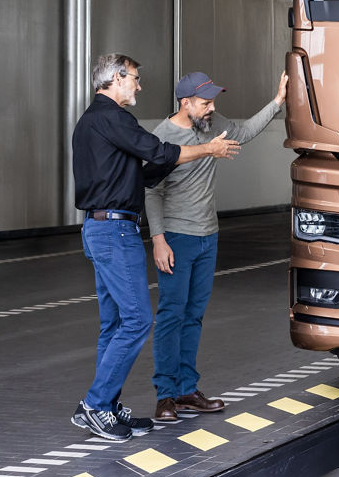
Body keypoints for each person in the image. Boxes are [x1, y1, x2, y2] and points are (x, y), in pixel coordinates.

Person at [70, 53, 239, 441]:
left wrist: (175, 162)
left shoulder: (93, 121)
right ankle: (96, 405)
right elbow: (161, 152)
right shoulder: (112, 117)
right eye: (134, 78)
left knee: (114, 324)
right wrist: (206, 151)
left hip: (101, 228)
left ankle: (107, 407)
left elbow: (145, 173)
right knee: (136, 320)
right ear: (115, 78)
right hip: (116, 232)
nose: (139, 86)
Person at [145, 69, 288, 424]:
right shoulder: (162, 137)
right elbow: (151, 191)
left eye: (213, 102)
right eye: (205, 103)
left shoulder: (212, 124)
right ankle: (165, 395)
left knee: (193, 316)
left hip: (209, 236)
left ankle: (187, 390)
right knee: (171, 316)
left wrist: (278, 101)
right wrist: (159, 240)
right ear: (185, 103)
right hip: (177, 237)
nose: (212, 108)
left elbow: (244, 132)